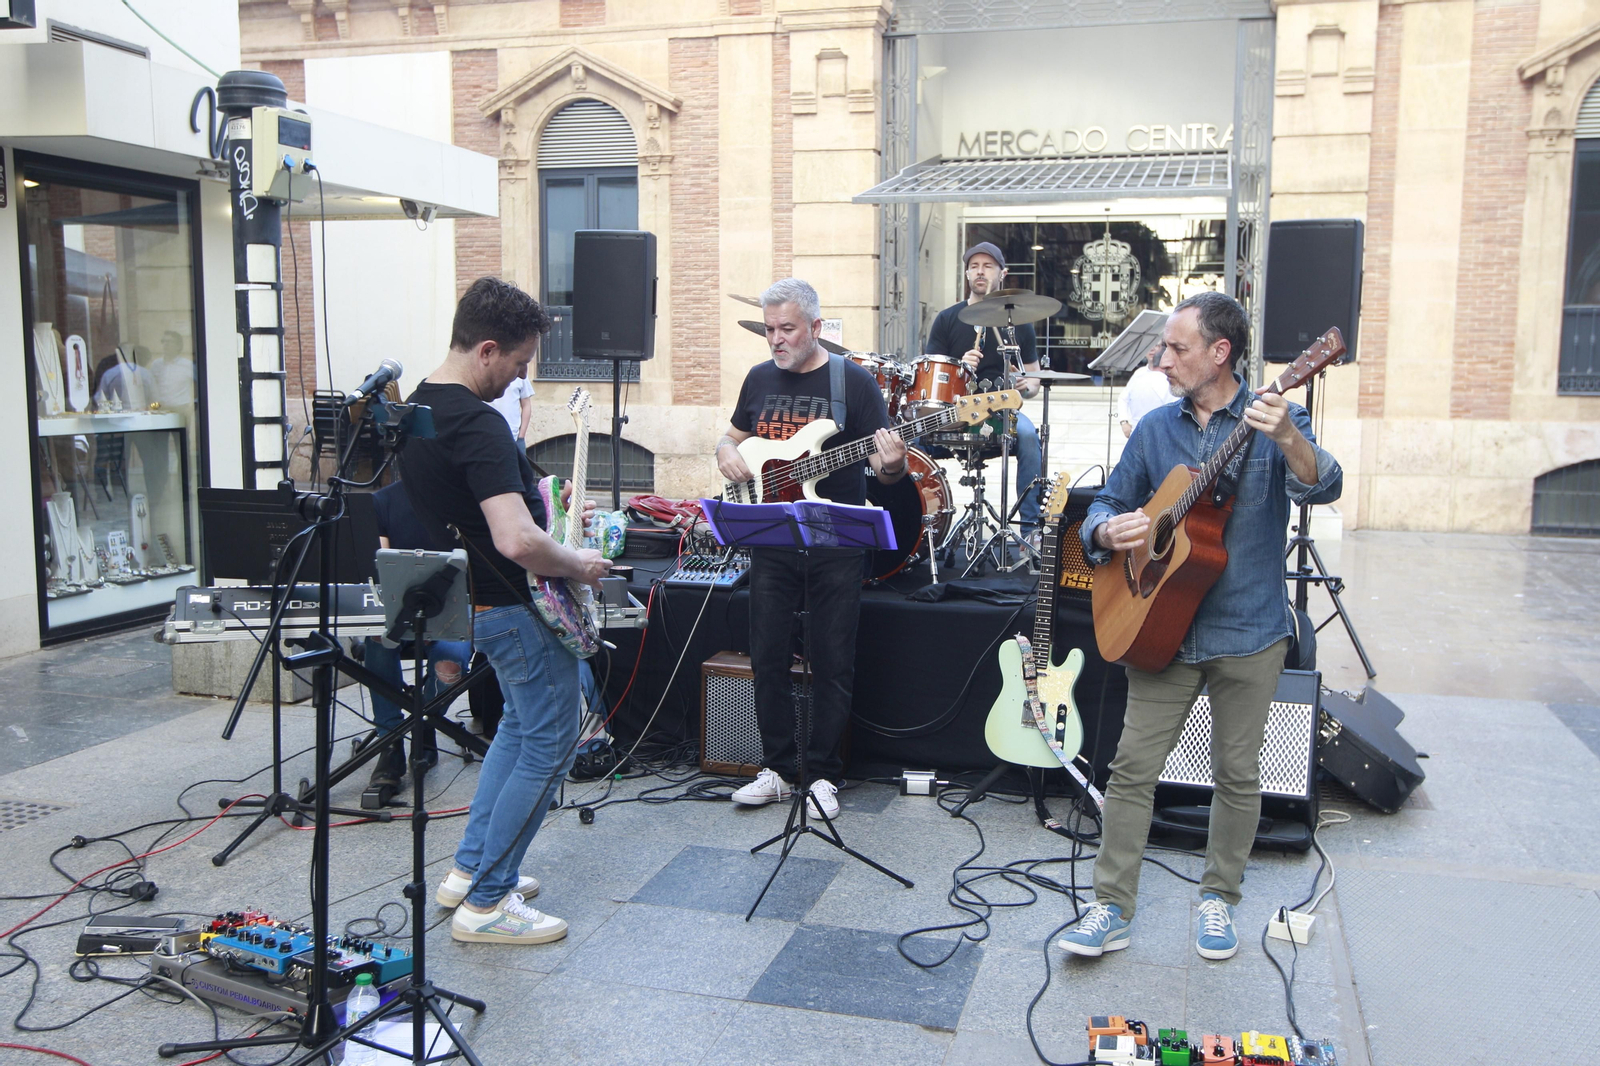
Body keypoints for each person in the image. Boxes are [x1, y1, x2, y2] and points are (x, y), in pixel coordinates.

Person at [1062, 291, 1342, 963]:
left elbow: (1323, 484)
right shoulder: (1158, 428)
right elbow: (1107, 499)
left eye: (1176, 348)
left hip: (1248, 628)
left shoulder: (1279, 415)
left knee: (1238, 776)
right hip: (1160, 627)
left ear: (1220, 352)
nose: (1161, 360)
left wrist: (1288, 437)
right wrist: (1107, 527)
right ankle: (1111, 906)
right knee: (1131, 771)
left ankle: (1218, 899)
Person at [399, 276, 610, 946]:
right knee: (547, 747)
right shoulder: (478, 422)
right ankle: (488, 903)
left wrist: (540, 491)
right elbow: (516, 539)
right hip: (517, 605)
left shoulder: (417, 408)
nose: (519, 379)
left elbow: (472, 507)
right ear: (487, 350)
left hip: (475, 604)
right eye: (519, 365)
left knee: (517, 732)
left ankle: (469, 871)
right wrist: (579, 565)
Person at [715, 278, 907, 820]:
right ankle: (776, 769)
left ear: (815, 328)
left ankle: (824, 775)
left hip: (834, 540)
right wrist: (725, 450)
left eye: (787, 329)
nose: (775, 339)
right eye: (770, 329)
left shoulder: (854, 382)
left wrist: (891, 463)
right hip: (770, 534)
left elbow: (886, 471)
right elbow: (731, 437)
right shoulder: (757, 379)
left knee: (832, 657)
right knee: (769, 655)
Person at [358, 482, 471, 799]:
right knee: (378, 640)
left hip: (453, 614)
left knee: (450, 662)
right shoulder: (383, 502)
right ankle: (390, 742)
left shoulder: (464, 494)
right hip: (398, 613)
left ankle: (426, 720)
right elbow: (376, 568)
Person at [923, 242, 1044, 537]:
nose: (980, 271)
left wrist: (1024, 386)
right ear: (966, 273)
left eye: (988, 266)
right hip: (957, 411)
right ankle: (919, 530)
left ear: (1001, 273)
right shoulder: (947, 319)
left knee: (1029, 437)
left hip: (1001, 410)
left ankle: (1031, 531)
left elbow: (1034, 381)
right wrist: (960, 365)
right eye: (974, 265)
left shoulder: (1018, 324)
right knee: (911, 442)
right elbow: (931, 376)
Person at [1116, 336, 1179, 438]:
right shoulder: (1138, 373)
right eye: (1148, 346)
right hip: (1136, 434)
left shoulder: (1170, 376)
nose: (1152, 349)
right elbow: (1123, 398)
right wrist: (1124, 422)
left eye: (1156, 345)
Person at [489, 364, 534, 449]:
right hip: (489, 437)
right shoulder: (485, 372)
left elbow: (526, 405)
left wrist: (521, 435)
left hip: (515, 438)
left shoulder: (519, 371)